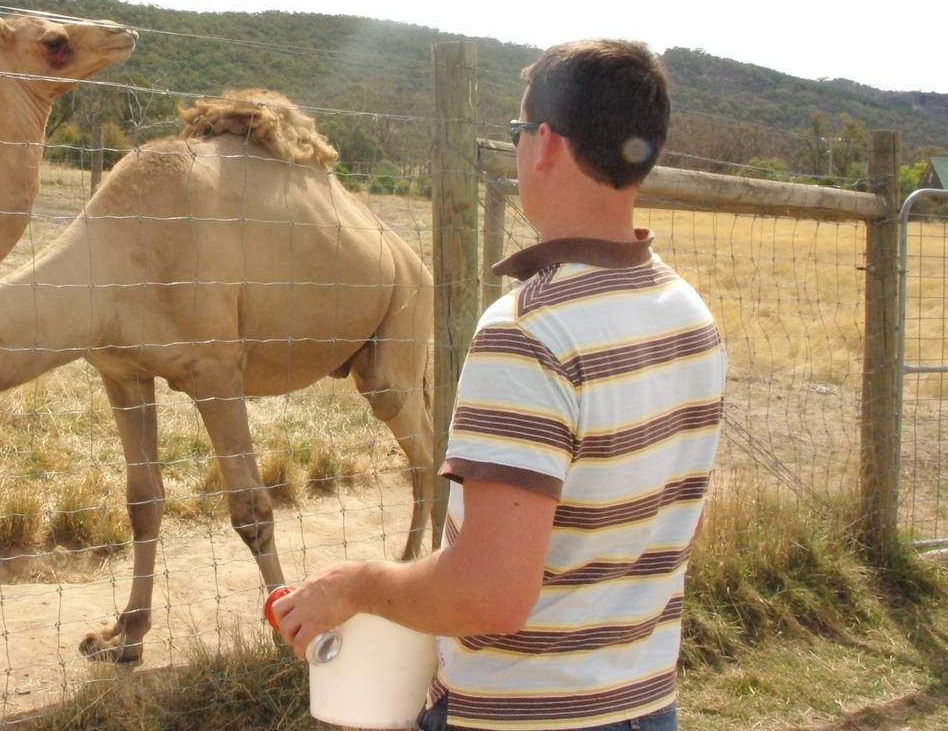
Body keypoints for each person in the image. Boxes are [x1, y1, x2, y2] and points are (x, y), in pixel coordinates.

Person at [272, 39, 726, 731]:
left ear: (544, 143)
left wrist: (355, 586)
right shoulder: (690, 315)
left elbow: (491, 594)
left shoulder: (530, 333)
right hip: (645, 702)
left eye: (518, 132)